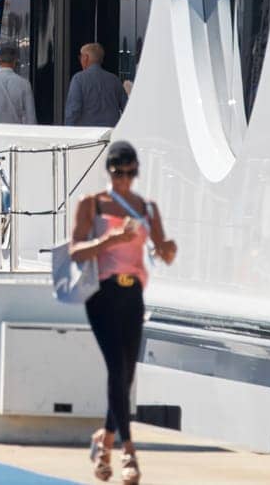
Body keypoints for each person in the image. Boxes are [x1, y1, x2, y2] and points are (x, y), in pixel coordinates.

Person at [70, 141, 177, 484]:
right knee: (116, 366)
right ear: (109, 172)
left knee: (127, 374)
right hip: (102, 293)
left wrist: (167, 248)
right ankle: (128, 452)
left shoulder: (146, 208)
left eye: (131, 174)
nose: (125, 181)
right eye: (119, 174)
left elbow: (164, 252)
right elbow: (76, 251)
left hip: (133, 294)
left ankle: (105, 439)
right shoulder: (92, 205)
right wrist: (111, 239)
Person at [65, 43, 128, 127]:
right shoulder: (115, 80)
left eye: (81, 57)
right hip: (110, 133)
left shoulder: (78, 79)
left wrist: (68, 132)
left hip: (87, 135)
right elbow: (127, 108)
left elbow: (73, 110)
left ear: (85, 58)